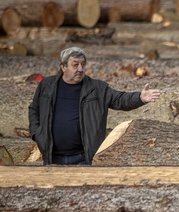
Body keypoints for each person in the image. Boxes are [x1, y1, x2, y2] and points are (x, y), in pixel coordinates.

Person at [28, 46, 161, 165]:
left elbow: (120, 99)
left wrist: (140, 98)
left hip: (83, 158)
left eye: (82, 65)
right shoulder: (47, 86)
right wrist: (37, 134)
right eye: (75, 65)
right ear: (63, 67)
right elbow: (34, 109)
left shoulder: (97, 88)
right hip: (51, 158)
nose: (80, 69)